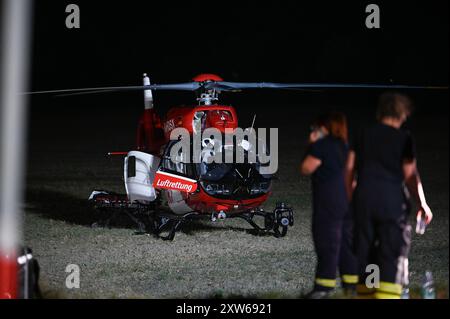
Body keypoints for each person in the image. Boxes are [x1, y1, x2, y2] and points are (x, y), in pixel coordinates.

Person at [346, 92, 433, 299]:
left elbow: (348, 169)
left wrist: (350, 198)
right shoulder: (404, 138)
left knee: (366, 255)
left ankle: (368, 292)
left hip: (364, 200)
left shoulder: (362, 133)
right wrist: (423, 203)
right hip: (391, 203)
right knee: (391, 256)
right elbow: (410, 175)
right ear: (402, 114)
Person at [300, 112, 358, 299]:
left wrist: (311, 143)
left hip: (328, 203)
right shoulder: (344, 145)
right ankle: (352, 286)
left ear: (324, 127)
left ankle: (322, 288)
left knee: (327, 243)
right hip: (347, 201)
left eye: (315, 128)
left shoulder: (322, 145)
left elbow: (306, 168)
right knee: (345, 246)